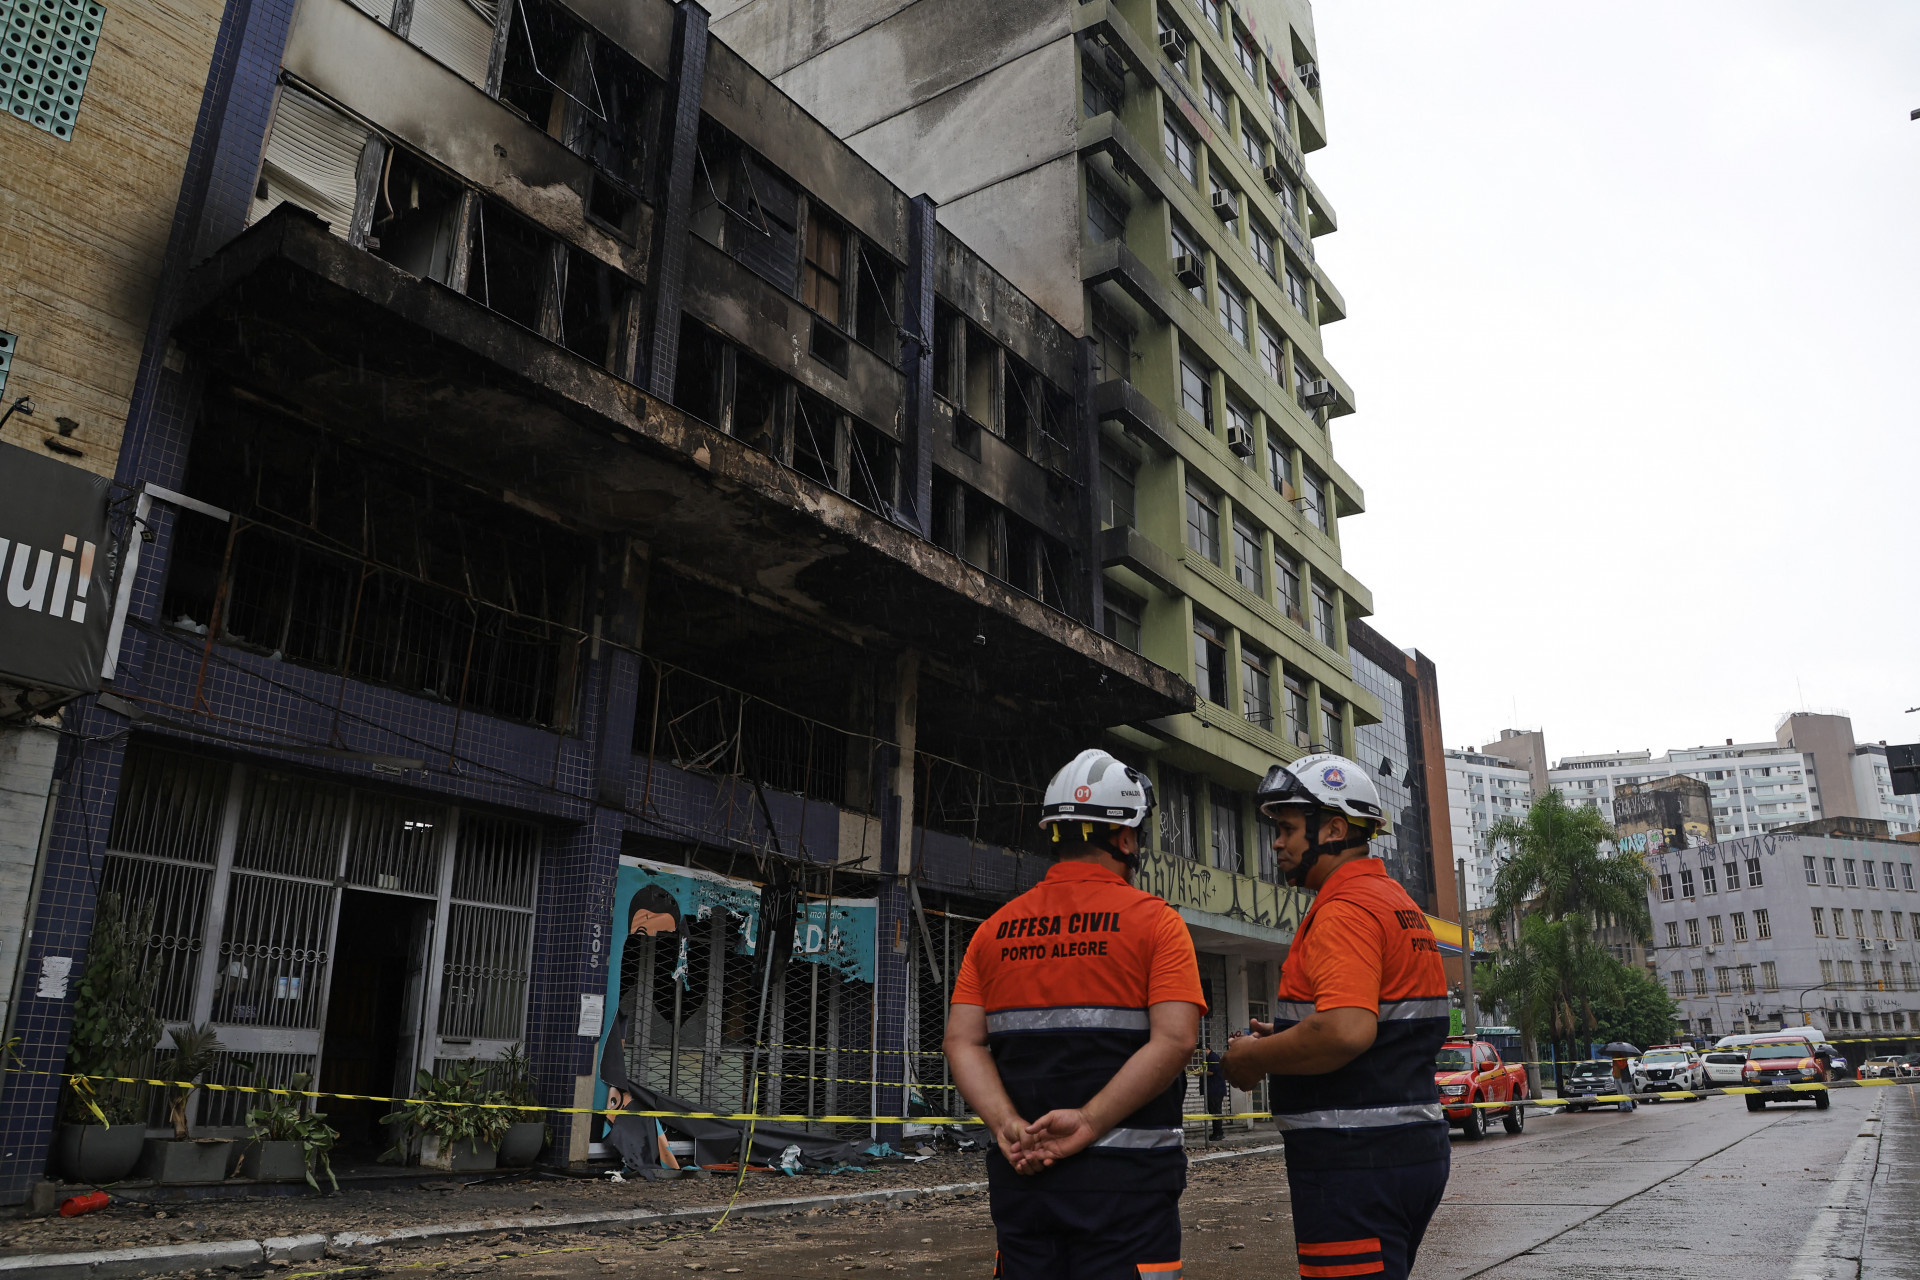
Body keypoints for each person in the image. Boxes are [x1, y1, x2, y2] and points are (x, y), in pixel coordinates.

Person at [945, 748, 1205, 1280]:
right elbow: (1176, 1041)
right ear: (1127, 838)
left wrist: (1008, 1127)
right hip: (1127, 1191)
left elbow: (962, 1042)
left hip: (1025, 1185)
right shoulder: (1157, 924)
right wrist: (1087, 1122)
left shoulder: (994, 930)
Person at [1223, 753, 1451, 1280]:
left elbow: (1346, 1030)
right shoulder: (1392, 900)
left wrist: (1255, 1058)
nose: (1276, 842)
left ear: (1333, 829)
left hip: (1355, 1161)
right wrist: (1284, 1037)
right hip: (1404, 1149)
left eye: (1286, 828)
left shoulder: (1344, 908)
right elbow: (1372, 1022)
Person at [1204, 1048, 1227, 1140]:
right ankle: (1216, 1132)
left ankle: (1218, 1133)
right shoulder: (1210, 1057)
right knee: (1213, 1111)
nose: (1201, 1056)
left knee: (1215, 1112)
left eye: (1201, 1052)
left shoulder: (1213, 1057)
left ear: (1206, 1049)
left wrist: (1201, 1073)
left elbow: (1212, 1072)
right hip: (1213, 1089)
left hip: (1215, 1090)